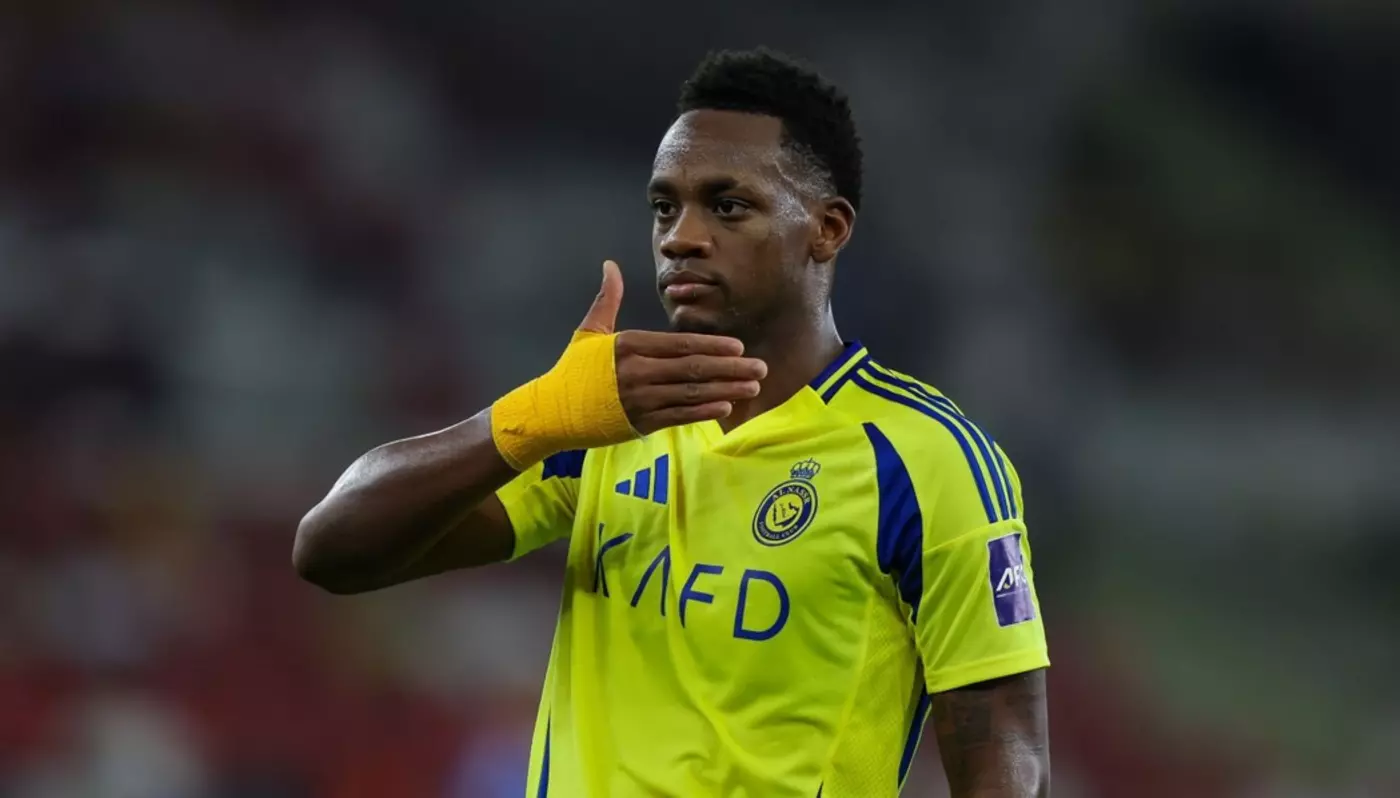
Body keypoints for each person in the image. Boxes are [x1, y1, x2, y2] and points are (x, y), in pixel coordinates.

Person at [294, 47, 1050, 798]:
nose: (680, 237)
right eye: (665, 207)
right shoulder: (600, 422)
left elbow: (1006, 756)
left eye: (728, 206)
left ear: (827, 229)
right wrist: (533, 417)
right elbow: (331, 550)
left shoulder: (925, 461)